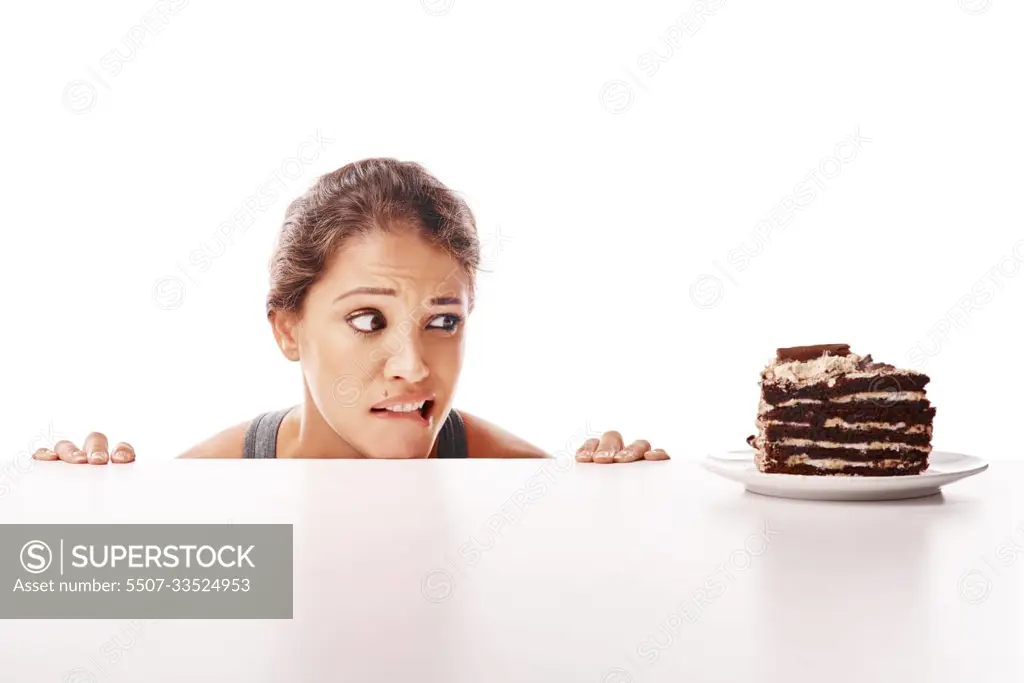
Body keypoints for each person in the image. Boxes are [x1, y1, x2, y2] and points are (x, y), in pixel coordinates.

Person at [31, 159, 670, 465]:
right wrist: (70, 514)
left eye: (443, 321)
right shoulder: (213, 487)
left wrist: (622, 509)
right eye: (368, 320)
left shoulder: (515, 483)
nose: (414, 368)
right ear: (288, 328)